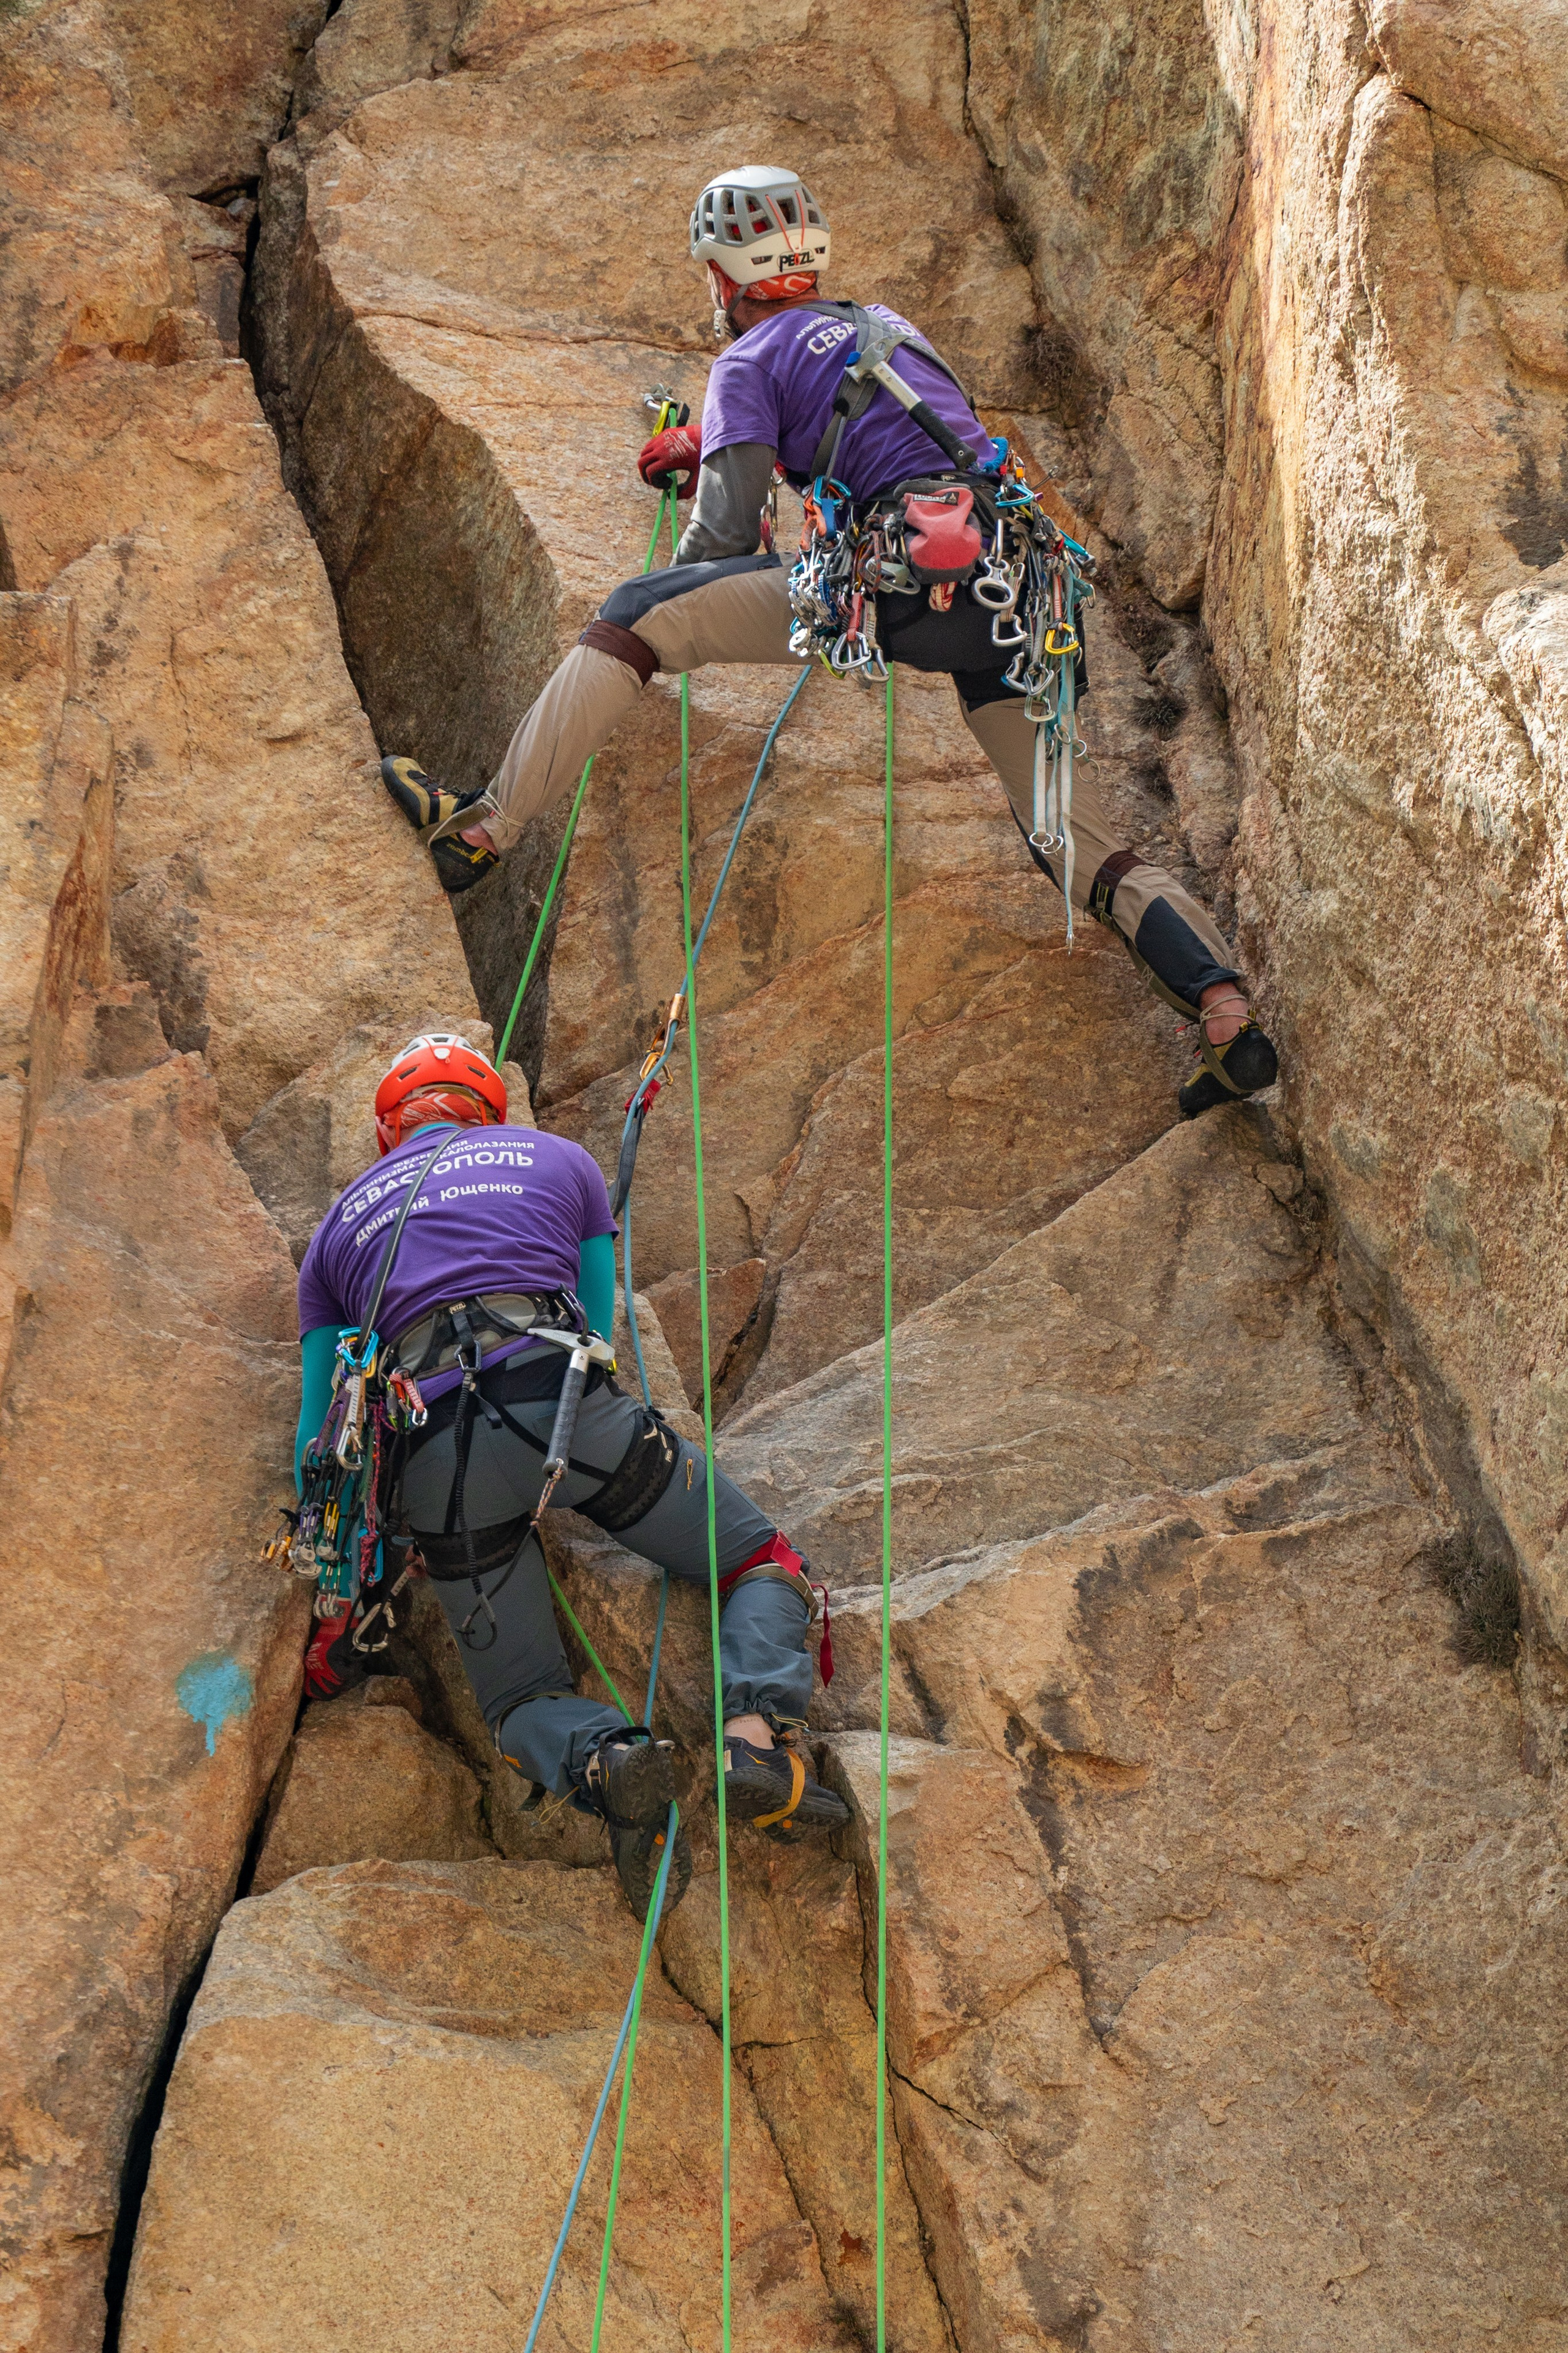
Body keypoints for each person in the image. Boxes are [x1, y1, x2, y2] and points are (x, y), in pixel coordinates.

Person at [380, 166, 1277, 1120]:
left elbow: (723, 543)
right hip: (1018, 589)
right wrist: (716, 449)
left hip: (901, 584)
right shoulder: (889, 326)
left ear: (724, 276)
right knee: (1076, 843)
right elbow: (899, 438)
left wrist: (701, 499)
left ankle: (482, 827)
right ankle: (1226, 1016)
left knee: (639, 610)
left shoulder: (746, 362)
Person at [293, 1031, 848, 1919]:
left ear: (386, 1132)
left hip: (437, 1465)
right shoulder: (559, 1159)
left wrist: (339, 1599)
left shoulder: (335, 1233)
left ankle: (609, 1762)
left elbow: (322, 1444)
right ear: (491, 1115)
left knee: (517, 1699)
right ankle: (754, 1744)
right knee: (759, 1561)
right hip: (565, 1414)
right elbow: (598, 1331)